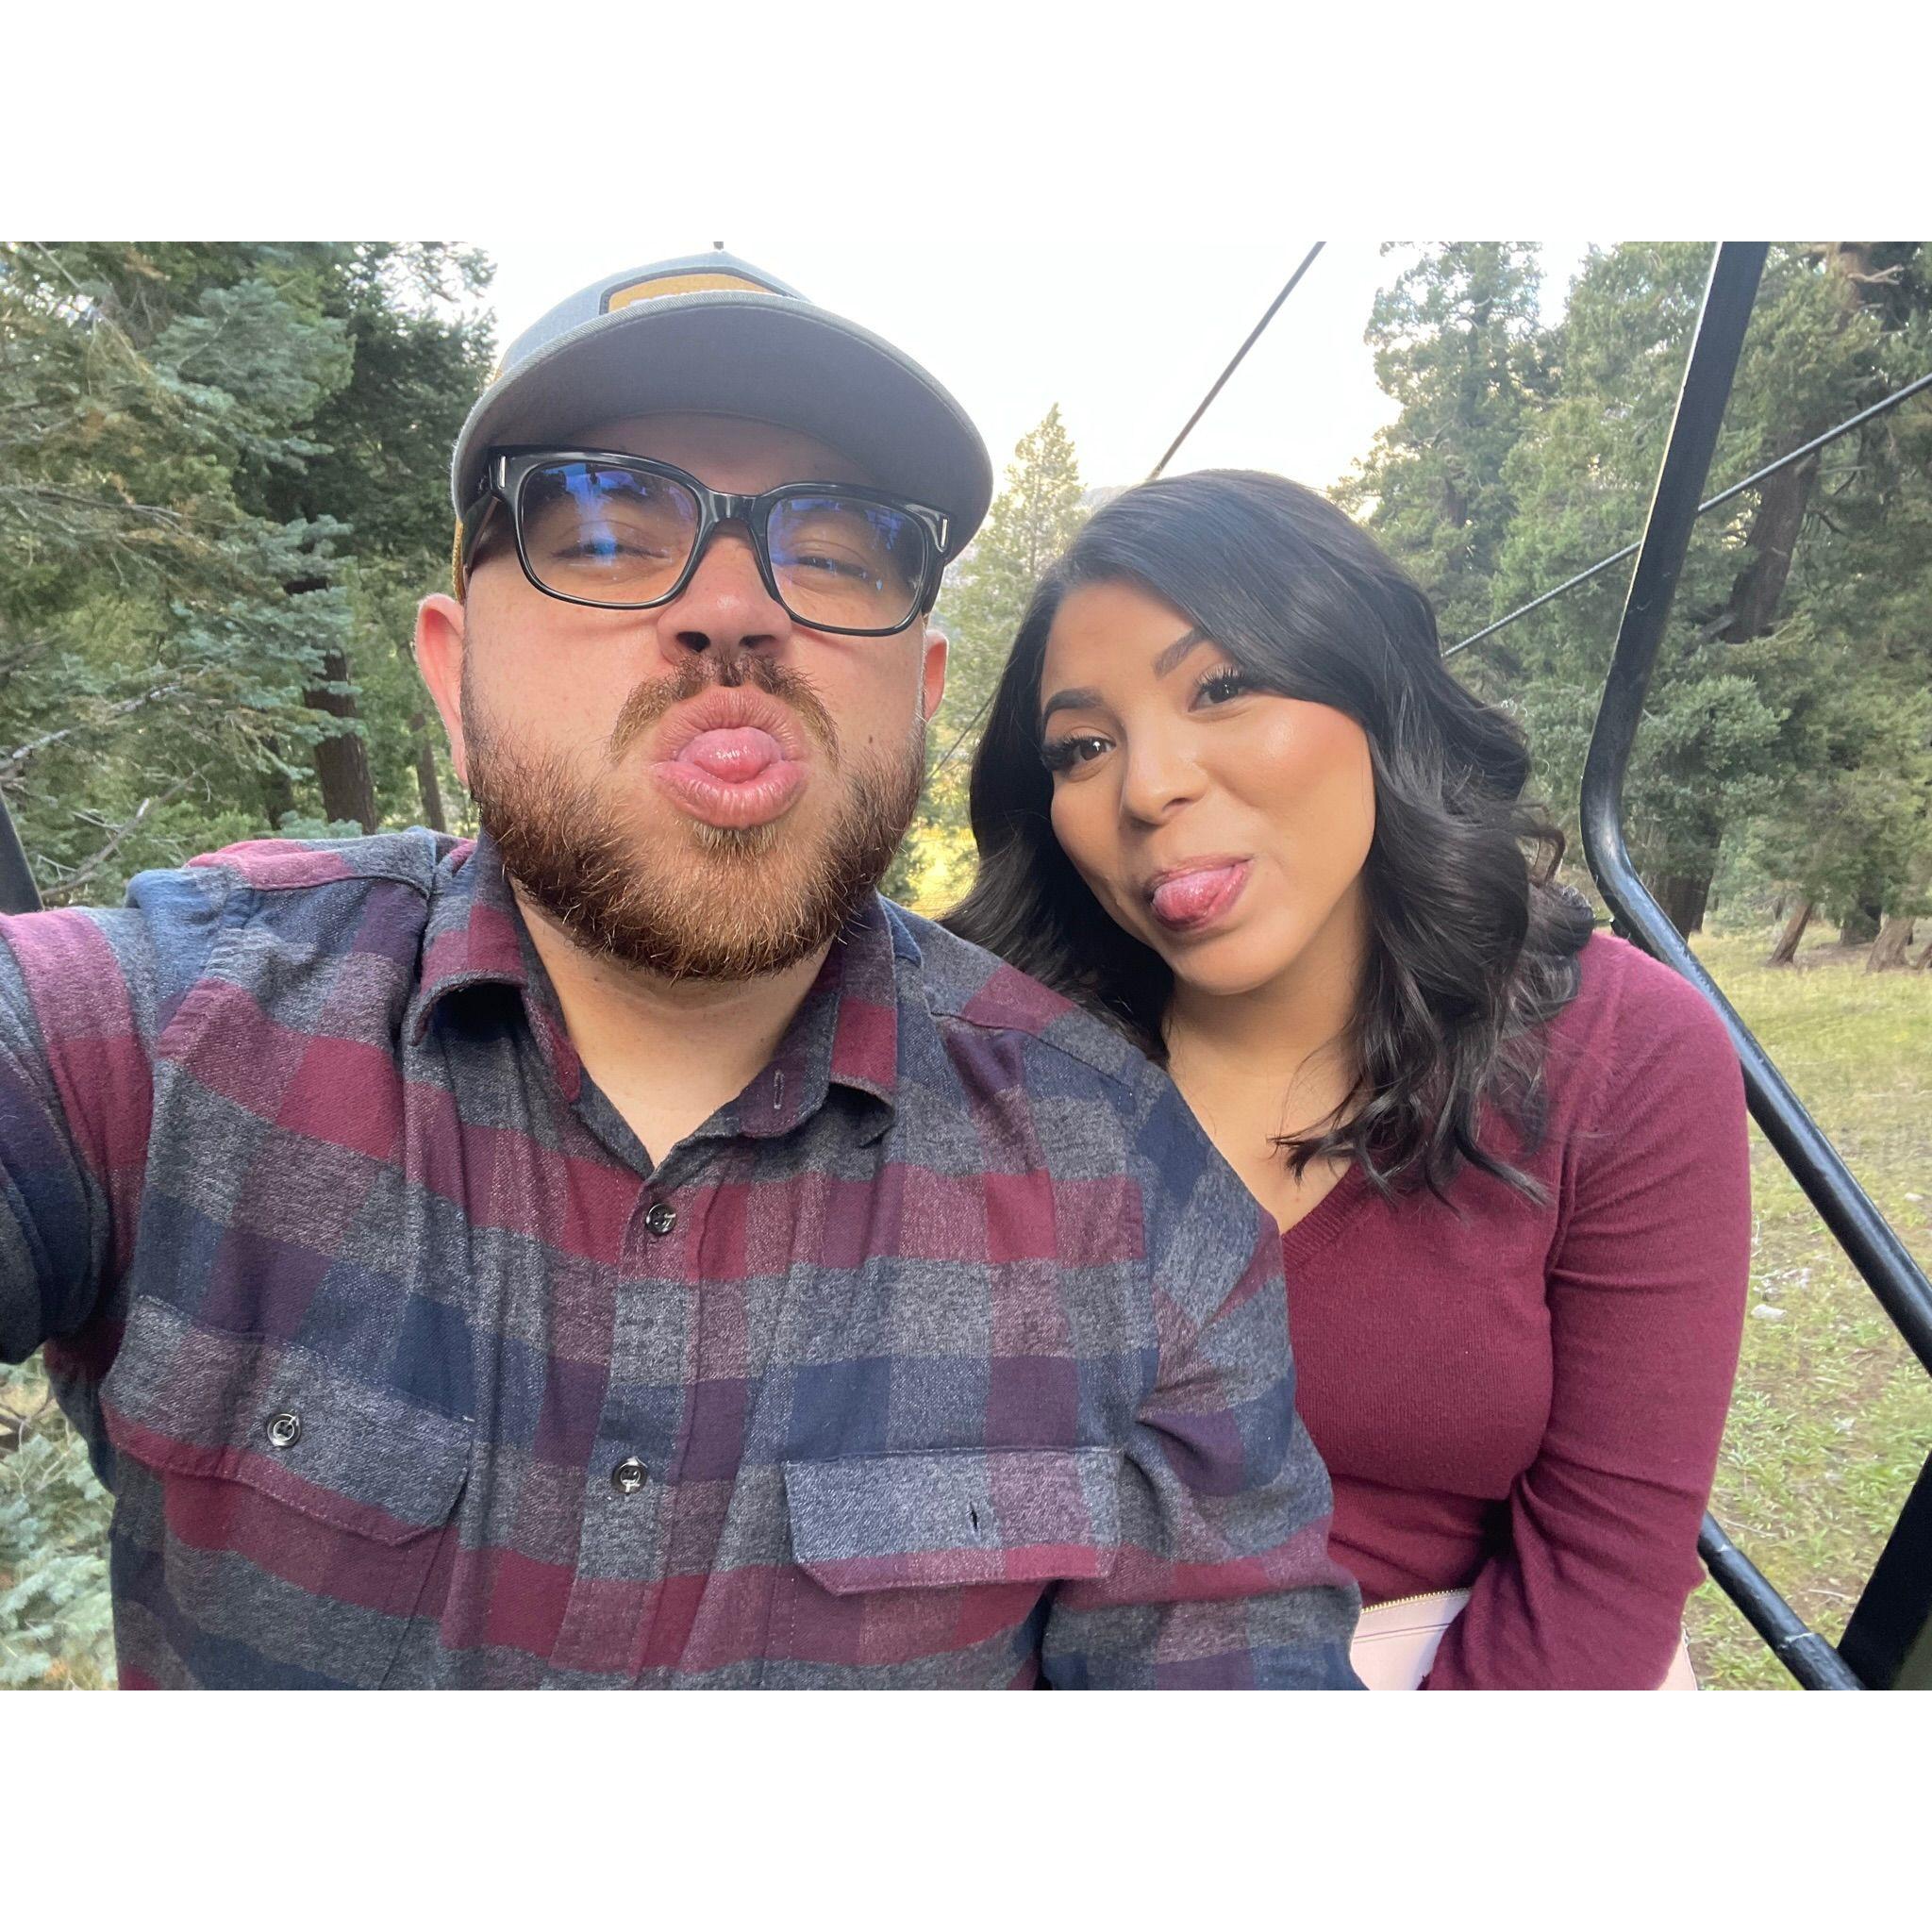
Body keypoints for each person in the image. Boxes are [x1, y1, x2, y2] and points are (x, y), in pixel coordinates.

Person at [0, 257, 1360, 1689]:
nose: (733, 609)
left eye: (835, 548)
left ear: (923, 696)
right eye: (598, 527)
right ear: (452, 676)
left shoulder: (1135, 1196)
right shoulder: (174, 1031)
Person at [947, 468, 1752, 1689]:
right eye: (1081, 747)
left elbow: (1605, 1566)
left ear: (1375, 695)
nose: (1148, 785)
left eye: (1220, 688)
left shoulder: (1625, 1058)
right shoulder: (999, 1069)